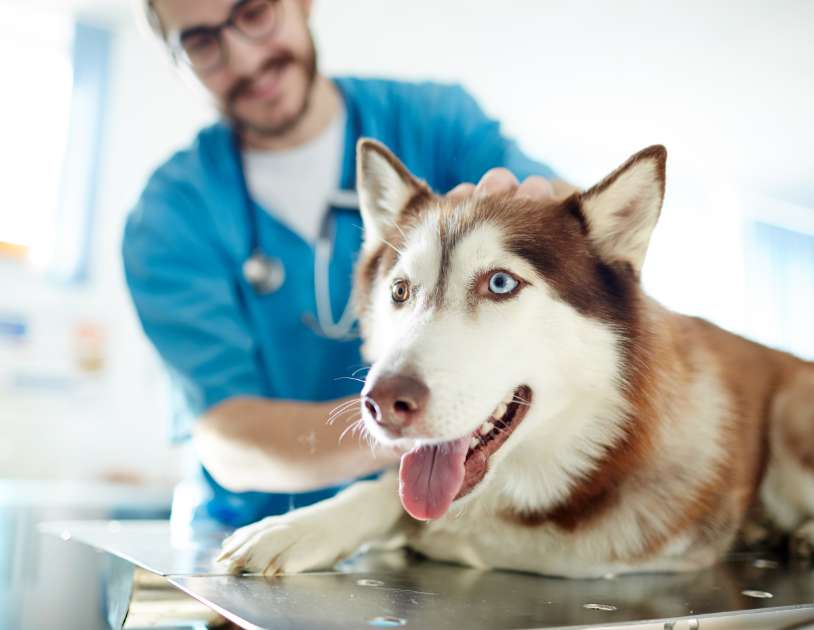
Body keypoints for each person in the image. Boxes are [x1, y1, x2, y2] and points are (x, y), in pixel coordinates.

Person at [123, 0, 572, 530]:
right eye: (200, 43)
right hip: (250, 532)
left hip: (435, 533)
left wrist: (555, 220)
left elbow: (578, 227)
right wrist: (420, 415)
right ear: (176, 62)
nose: (242, 60)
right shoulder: (174, 212)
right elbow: (229, 440)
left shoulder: (434, 123)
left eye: (254, 13)